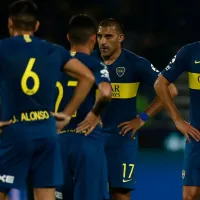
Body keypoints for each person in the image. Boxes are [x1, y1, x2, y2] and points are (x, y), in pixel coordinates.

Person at [0, 1, 95, 200]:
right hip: (46, 131)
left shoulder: (3, 48)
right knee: (46, 195)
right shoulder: (54, 50)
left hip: (14, 130)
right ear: (36, 26)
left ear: (10, 23)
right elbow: (88, 77)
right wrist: (67, 115)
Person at [91, 18, 178, 200]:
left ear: (120, 38)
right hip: (91, 138)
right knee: (89, 192)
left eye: (108, 36)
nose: (103, 41)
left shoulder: (135, 63)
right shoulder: (88, 61)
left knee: (120, 195)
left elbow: (170, 90)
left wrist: (142, 118)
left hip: (121, 140)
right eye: (99, 36)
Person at [55, 14, 112, 200]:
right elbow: (105, 92)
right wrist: (95, 113)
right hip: (87, 141)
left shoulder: (52, 63)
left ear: (68, 38)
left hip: (56, 144)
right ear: (94, 39)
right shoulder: (94, 64)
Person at [154, 44, 200, 200]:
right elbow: (160, 83)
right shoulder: (191, 52)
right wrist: (177, 120)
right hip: (197, 138)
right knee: (190, 196)